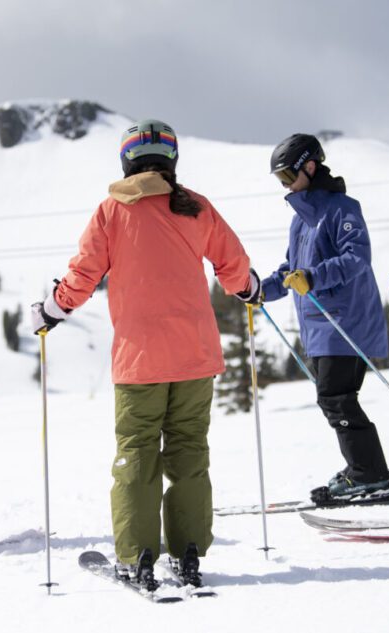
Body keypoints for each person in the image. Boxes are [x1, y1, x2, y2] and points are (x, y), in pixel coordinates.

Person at [30, 119, 258, 589]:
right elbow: (234, 266)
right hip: (196, 357)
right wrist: (249, 289)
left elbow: (82, 277)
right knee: (189, 453)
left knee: (136, 455)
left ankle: (137, 557)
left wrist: (52, 309)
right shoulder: (195, 206)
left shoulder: (112, 211)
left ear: (126, 160)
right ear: (172, 159)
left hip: (141, 362)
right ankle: (189, 551)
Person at [259, 134, 389, 498]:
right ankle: (365, 468)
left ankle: (368, 472)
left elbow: (357, 257)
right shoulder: (301, 221)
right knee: (334, 401)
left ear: (310, 166)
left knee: (337, 399)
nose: (285, 186)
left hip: (345, 322)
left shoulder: (341, 208)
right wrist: (260, 290)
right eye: (280, 181)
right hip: (319, 328)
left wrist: (315, 276)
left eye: (288, 177)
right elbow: (291, 269)